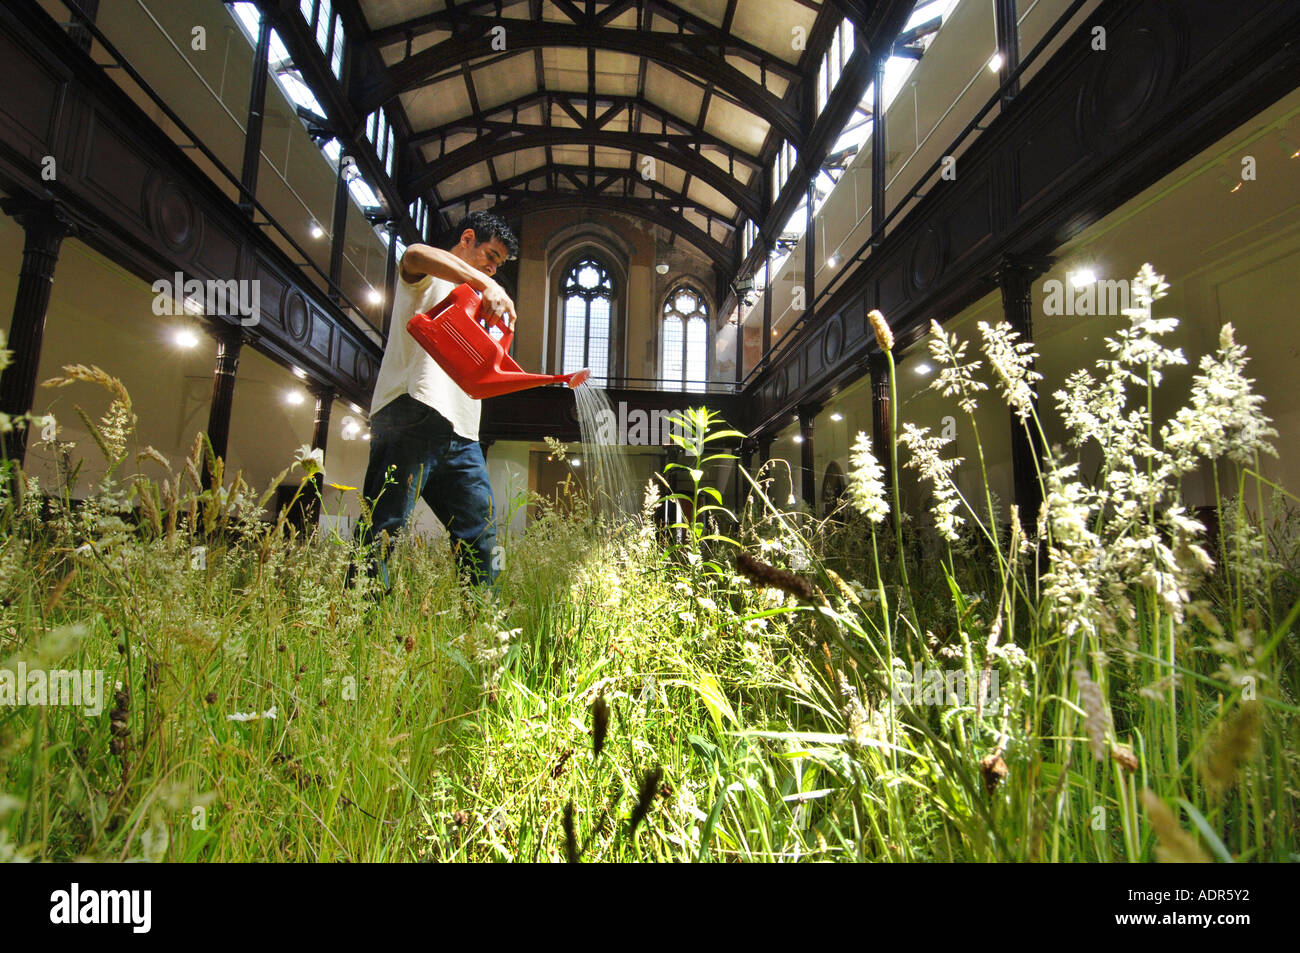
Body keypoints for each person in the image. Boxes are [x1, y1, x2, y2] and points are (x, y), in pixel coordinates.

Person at [352, 210, 519, 593]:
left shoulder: (478, 304)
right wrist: (481, 280)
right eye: (490, 256)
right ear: (467, 239)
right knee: (385, 527)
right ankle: (356, 624)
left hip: (462, 432)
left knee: (482, 534)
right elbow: (412, 253)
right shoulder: (429, 277)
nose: (492, 270)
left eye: (497, 266)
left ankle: (484, 626)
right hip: (411, 410)